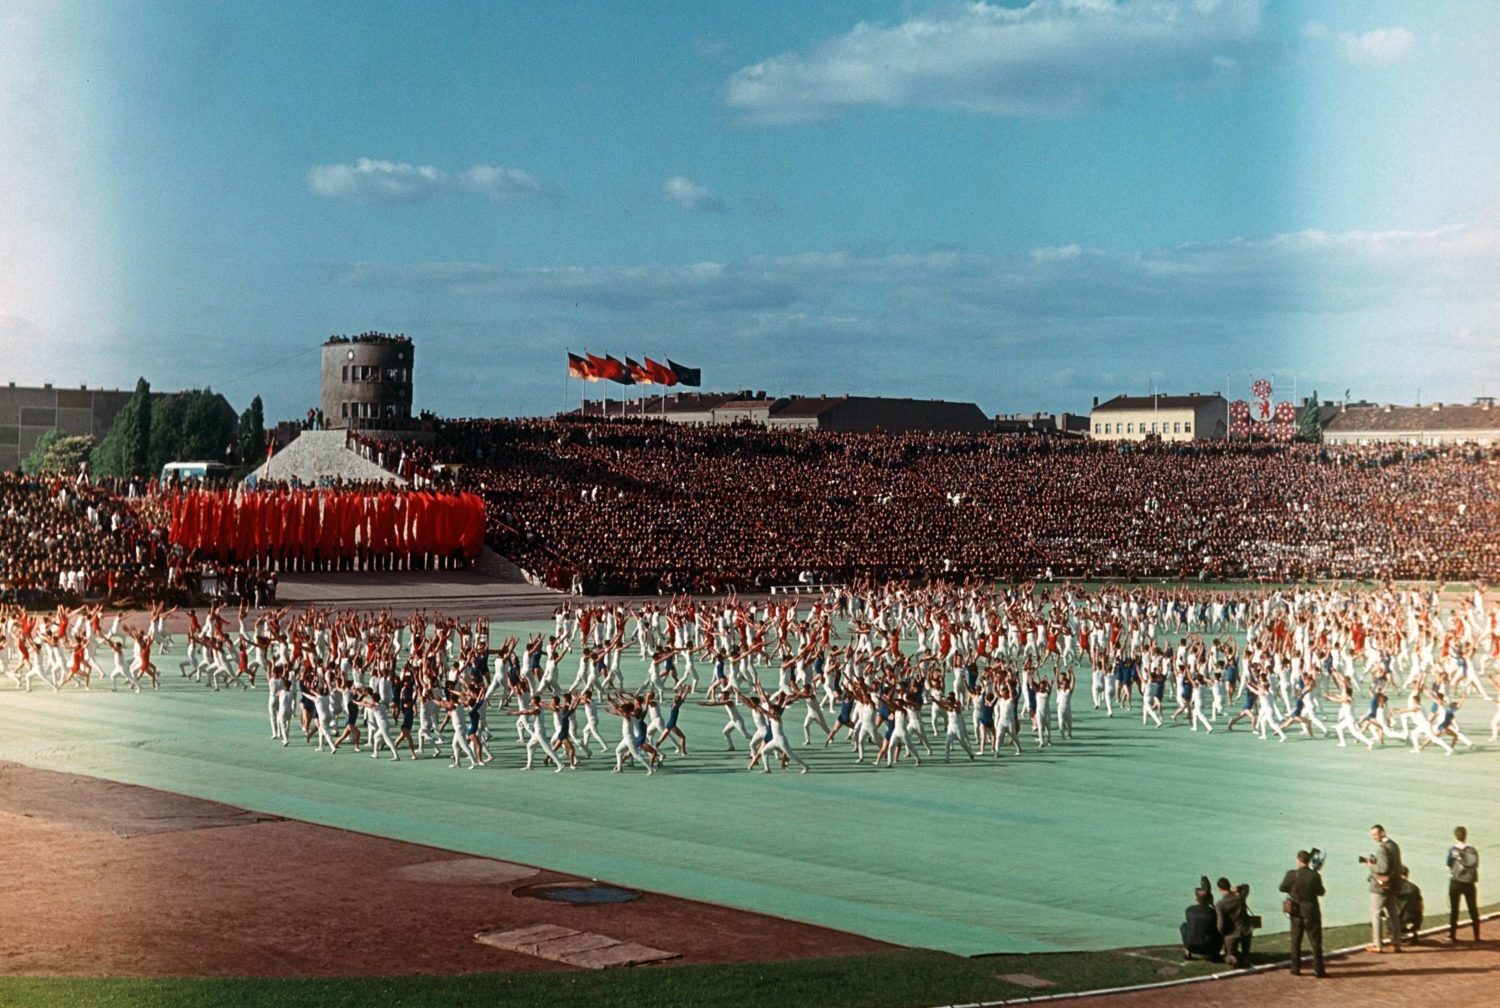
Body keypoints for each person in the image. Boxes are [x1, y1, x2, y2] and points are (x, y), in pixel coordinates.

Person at [1280, 850, 1326, 977]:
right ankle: (1319, 970)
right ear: (1309, 861)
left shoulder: (1291, 874)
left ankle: (1295, 968)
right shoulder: (1315, 875)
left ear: (1298, 860)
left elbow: (1282, 887)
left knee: (1295, 941)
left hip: (1295, 912)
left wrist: (1292, 890)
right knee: (1316, 942)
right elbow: (1321, 892)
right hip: (1311, 912)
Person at [1365, 824, 1404, 953]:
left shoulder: (1382, 849)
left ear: (1382, 832)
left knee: (1375, 913)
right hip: (1393, 884)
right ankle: (1397, 942)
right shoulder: (1394, 845)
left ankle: (1378, 944)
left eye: (1375, 835)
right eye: (1373, 835)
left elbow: (1383, 868)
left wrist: (1370, 865)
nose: (1374, 838)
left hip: (1380, 886)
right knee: (1393, 913)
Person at [1446, 825, 1481, 942]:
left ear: (1455, 836)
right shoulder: (1473, 851)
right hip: (1469, 883)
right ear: (1466, 837)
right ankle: (1476, 935)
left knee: (1454, 909)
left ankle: (1452, 935)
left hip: (1456, 882)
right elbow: (1476, 865)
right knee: (1473, 909)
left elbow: (1448, 865)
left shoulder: (1453, 850)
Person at [1215, 877, 1253, 967]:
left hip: (1232, 934)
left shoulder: (1220, 904)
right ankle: (1245, 957)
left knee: (1227, 955)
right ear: (1229, 886)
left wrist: (1222, 936)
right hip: (1246, 931)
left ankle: (1233, 958)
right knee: (1245, 953)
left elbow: (1220, 925)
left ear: (1219, 888)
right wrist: (1237, 888)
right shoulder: (1240, 898)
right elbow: (1246, 887)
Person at [1180, 886, 1222, 961]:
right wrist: (1212, 905)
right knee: (1219, 928)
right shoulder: (1213, 912)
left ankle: (1187, 951)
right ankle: (1215, 953)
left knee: (1184, 925)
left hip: (1191, 945)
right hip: (1208, 946)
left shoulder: (1189, 910)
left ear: (1196, 898)